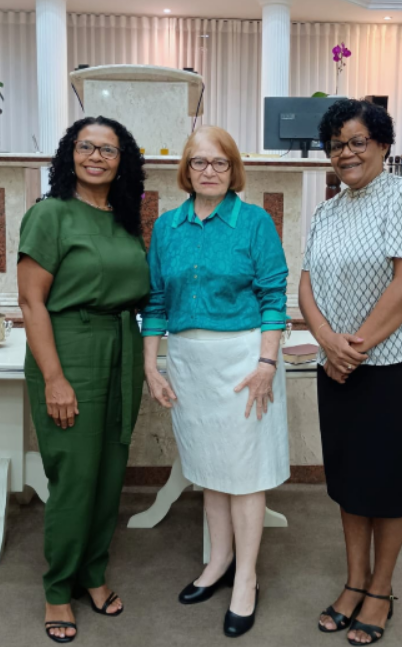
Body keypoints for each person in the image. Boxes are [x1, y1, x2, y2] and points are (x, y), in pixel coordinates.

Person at [299, 99, 402, 645]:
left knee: (387, 480)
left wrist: (351, 348)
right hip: (337, 363)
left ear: (382, 144)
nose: (346, 153)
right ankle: (354, 579)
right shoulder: (327, 212)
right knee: (349, 479)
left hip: (400, 363)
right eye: (336, 145)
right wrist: (326, 340)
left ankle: (380, 589)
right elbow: (305, 284)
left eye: (357, 141)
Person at [143, 125, 290, 638]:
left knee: (244, 474)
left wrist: (267, 363)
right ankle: (219, 562)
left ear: (233, 170)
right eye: (199, 162)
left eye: (219, 162)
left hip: (244, 361)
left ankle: (246, 578)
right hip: (189, 363)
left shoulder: (254, 222)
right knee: (209, 470)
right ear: (186, 169)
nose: (209, 171)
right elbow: (156, 300)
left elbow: (274, 295)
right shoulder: (167, 227)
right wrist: (151, 365)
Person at [17, 116, 150, 643]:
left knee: (110, 472)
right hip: (70, 349)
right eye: (86, 146)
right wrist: (54, 378)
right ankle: (58, 588)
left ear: (122, 160)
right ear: (70, 153)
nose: (96, 157)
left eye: (108, 150)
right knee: (74, 477)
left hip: (122, 347)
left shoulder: (124, 220)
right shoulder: (49, 214)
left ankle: (93, 573)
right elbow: (32, 302)